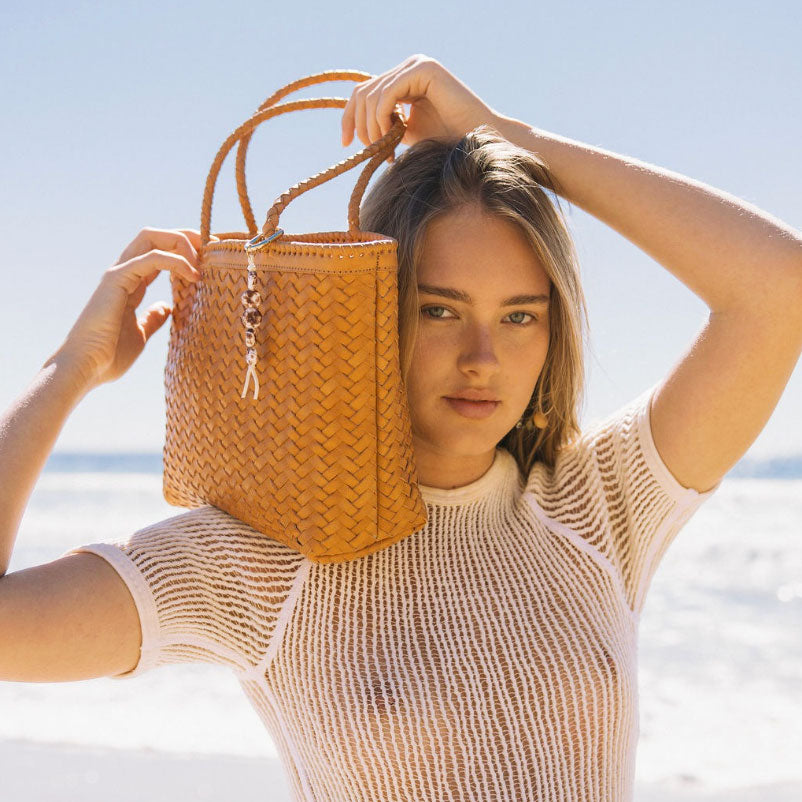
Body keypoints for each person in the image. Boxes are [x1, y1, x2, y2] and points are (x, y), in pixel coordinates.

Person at [1, 53, 800, 801]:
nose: (482, 358)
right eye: (440, 310)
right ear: (371, 311)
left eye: (520, 316)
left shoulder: (599, 507)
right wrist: (69, 371)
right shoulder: (270, 555)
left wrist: (507, 137)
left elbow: (779, 288)